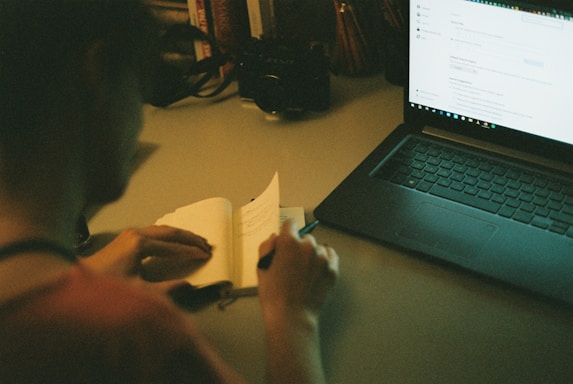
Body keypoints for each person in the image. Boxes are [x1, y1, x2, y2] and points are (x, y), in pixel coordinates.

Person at [0, 1, 339, 383]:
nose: (143, 120)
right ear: (95, 79)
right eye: (140, 88)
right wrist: (293, 316)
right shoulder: (131, 333)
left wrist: (85, 277)